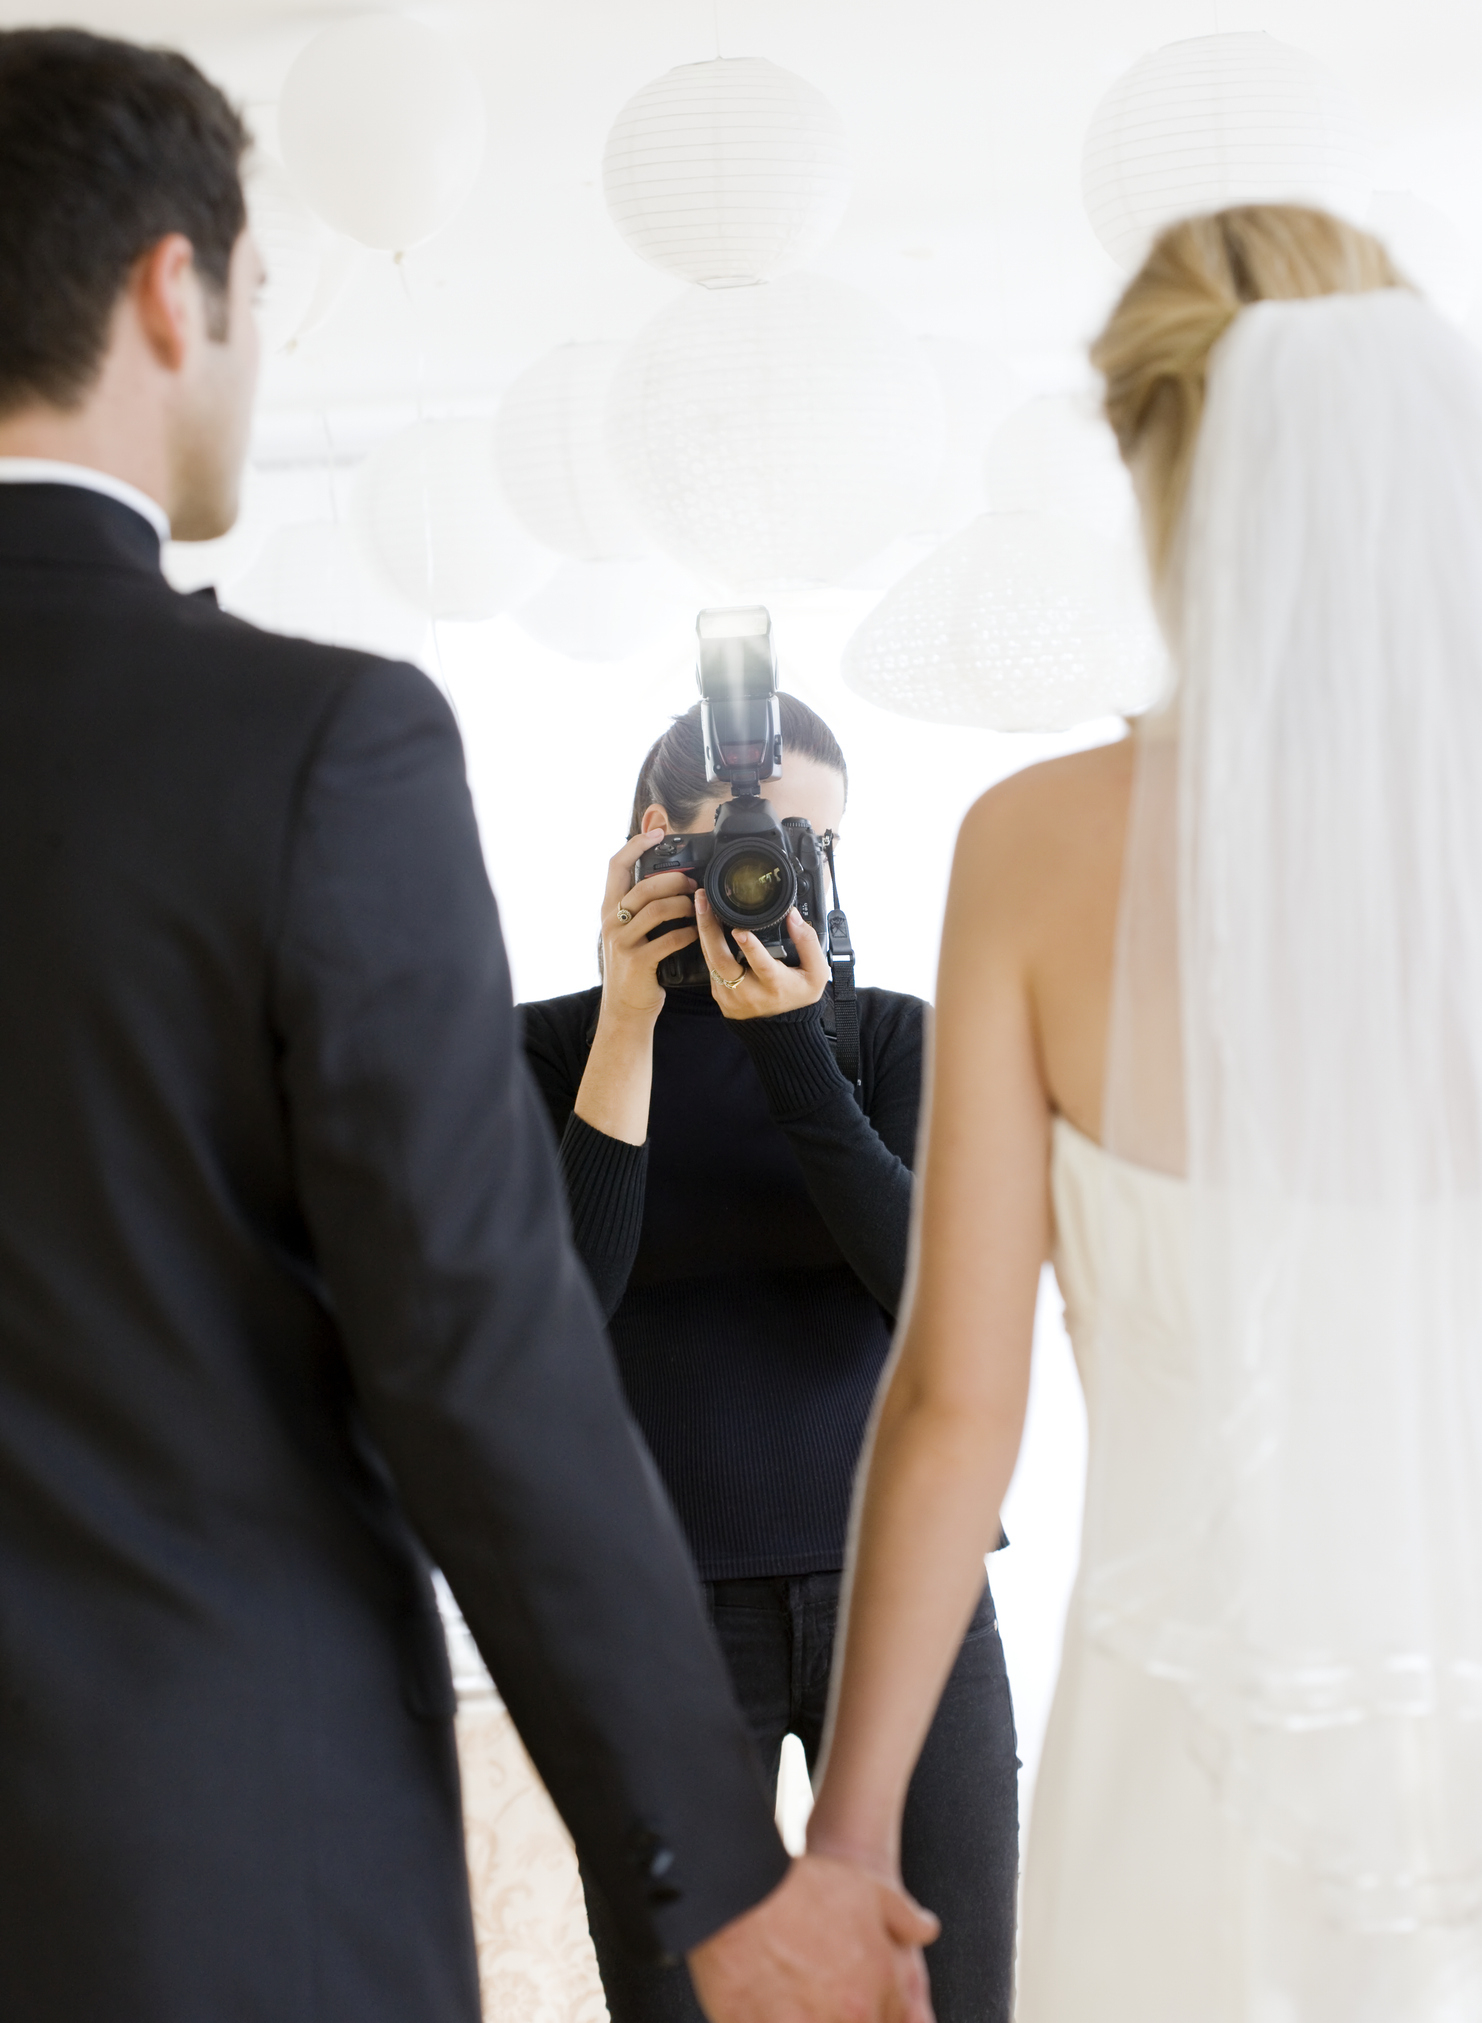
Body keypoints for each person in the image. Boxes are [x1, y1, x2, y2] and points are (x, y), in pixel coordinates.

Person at [0, 29, 937, 2022]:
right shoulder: (306, 747)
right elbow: (477, 1350)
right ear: (177, 290)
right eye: (260, 297)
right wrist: (717, 1865)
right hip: (202, 1836)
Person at [809, 202, 1482, 2021]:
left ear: (1156, 467)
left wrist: (850, 1839)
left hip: (1188, 1750)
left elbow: (960, 1401)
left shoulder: (1036, 851)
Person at [519, 697, 1020, 2023]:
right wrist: (628, 1025)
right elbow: (553, 1319)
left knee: (952, 1997)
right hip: (659, 1612)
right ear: (651, 846)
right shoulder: (547, 1049)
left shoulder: (887, 1037)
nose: (780, 876)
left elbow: (932, 1290)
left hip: (906, 1594)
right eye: (754, 840)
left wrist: (790, 1047)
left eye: (814, 847)